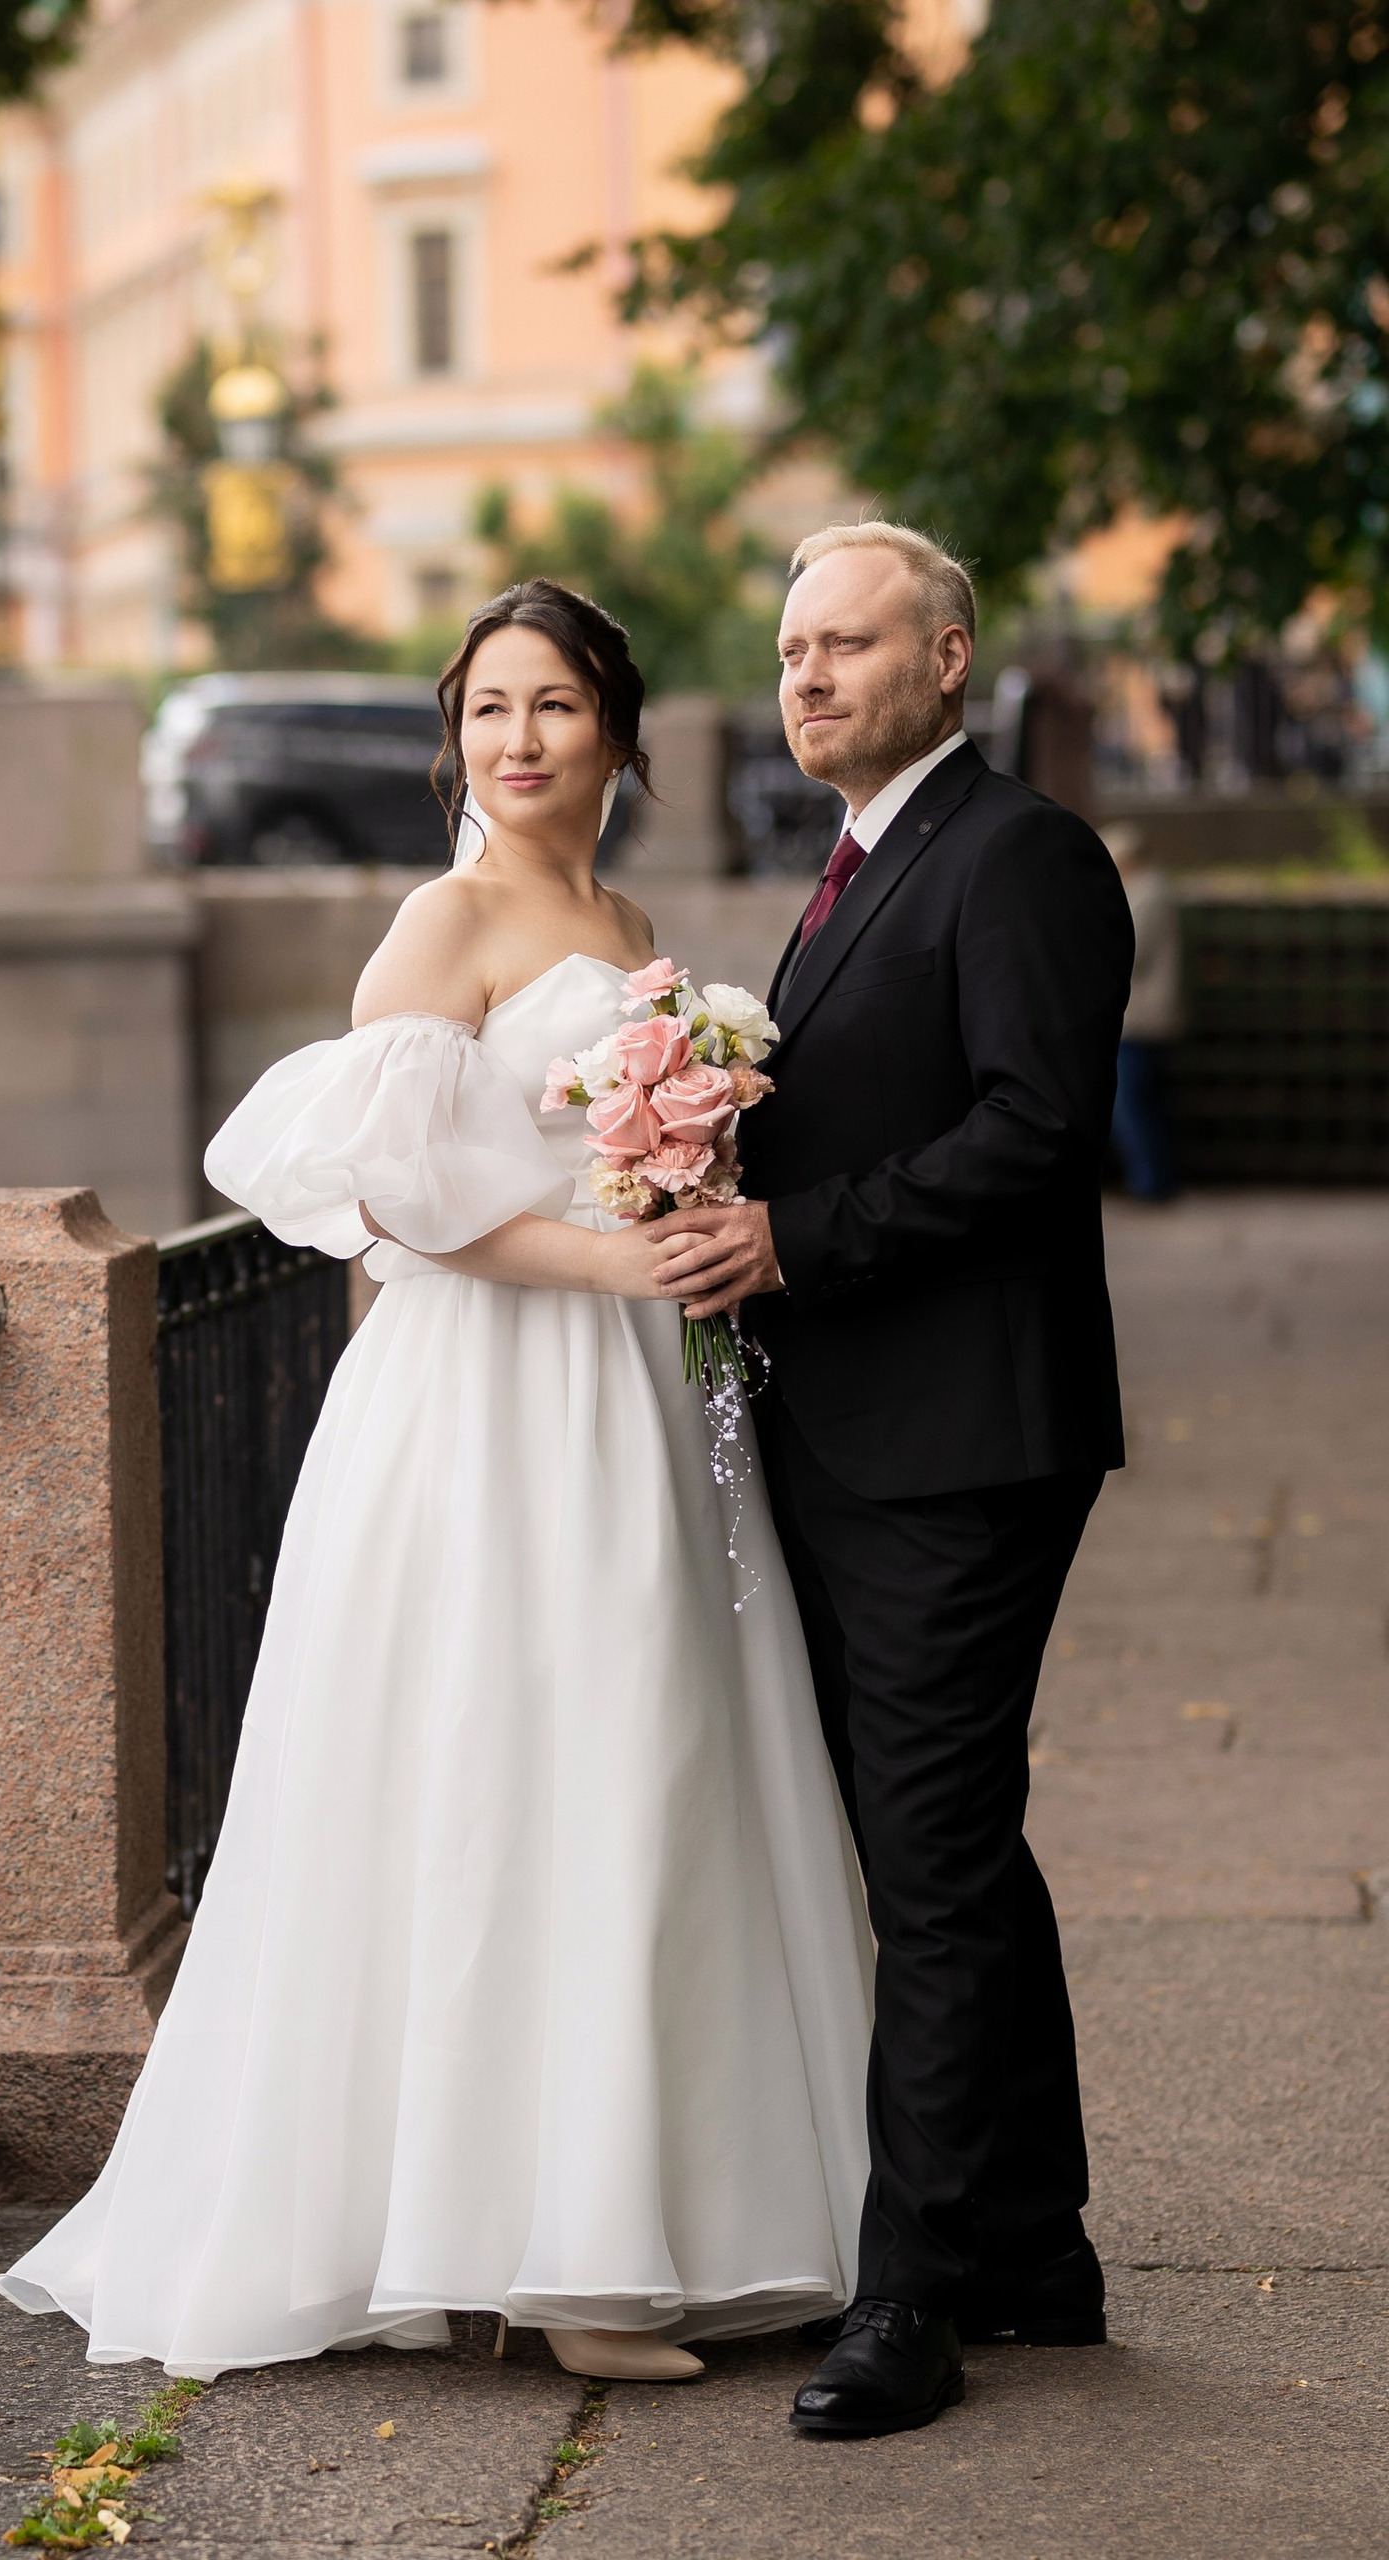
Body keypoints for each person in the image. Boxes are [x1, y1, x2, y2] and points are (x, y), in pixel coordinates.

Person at [0, 580, 874, 2386]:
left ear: (619, 736)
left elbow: (590, 1164)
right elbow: (401, 1209)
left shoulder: (627, 921)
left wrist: (675, 1213)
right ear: (453, 739)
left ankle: (616, 2222)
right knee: (494, 1764)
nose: (522, 739)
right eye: (489, 709)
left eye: (556, 707)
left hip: (634, 1390)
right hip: (488, 1396)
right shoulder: (444, 916)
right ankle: (538, 2254)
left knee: (647, 1756)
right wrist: (615, 1262)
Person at [653, 523, 1132, 2438]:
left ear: (948, 661)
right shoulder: (857, 865)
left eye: (849, 643)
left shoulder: (1019, 856)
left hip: (963, 1441)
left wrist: (794, 1239)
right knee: (953, 1853)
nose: (810, 677)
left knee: (925, 1866)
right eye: (788, 650)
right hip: (863, 1431)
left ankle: (911, 2295)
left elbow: (1036, 1131)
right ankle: (1033, 2247)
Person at [1107, 824, 1183, 1200]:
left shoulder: (1147, 894)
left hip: (1140, 1021)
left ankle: (1150, 1182)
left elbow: (1129, 952)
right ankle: (1152, 1178)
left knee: (1132, 1105)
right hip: (1144, 1021)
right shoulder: (1148, 890)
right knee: (1142, 1104)